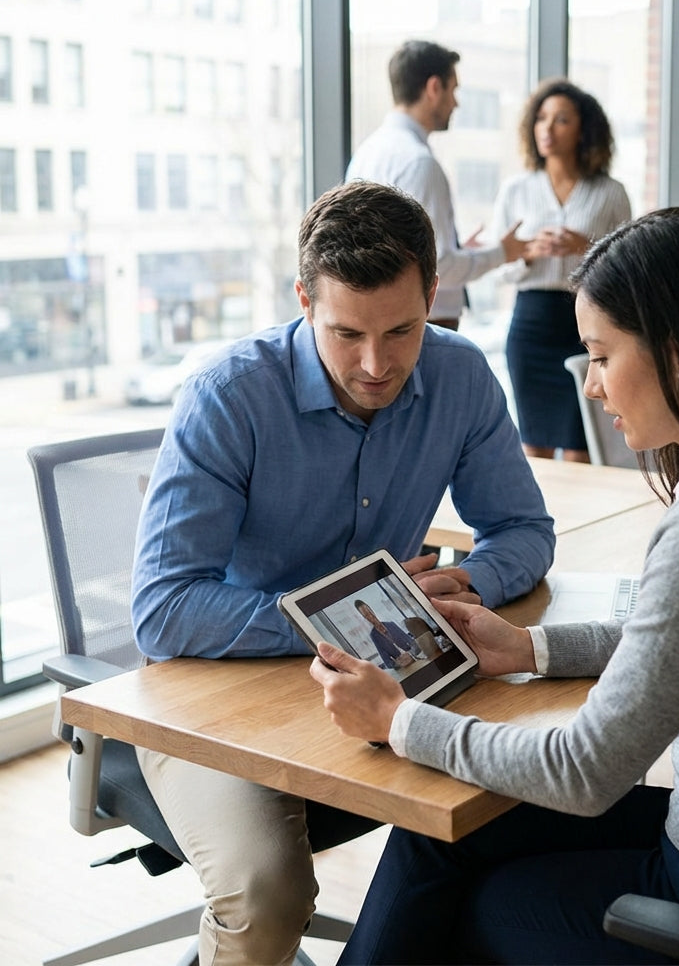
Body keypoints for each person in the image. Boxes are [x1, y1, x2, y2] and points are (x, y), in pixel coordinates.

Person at [310, 207, 679, 965]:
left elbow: (584, 770)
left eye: (599, 355)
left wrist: (398, 719)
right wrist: (528, 647)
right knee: (441, 836)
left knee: (475, 906)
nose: (591, 386)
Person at [131, 180, 555, 966]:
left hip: (381, 685)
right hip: (217, 696)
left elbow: (524, 530)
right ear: (304, 301)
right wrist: (349, 617)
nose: (375, 364)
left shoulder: (460, 376)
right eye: (346, 333)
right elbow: (163, 610)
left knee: (522, 797)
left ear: (433, 294)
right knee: (265, 893)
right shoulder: (229, 397)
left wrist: (472, 582)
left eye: (401, 330)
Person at [491, 77, 632, 461]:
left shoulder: (611, 192)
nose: (547, 128)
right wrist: (527, 254)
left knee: (579, 448)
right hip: (531, 326)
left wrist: (586, 248)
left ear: (584, 130)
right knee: (532, 448)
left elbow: (628, 265)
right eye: (541, 118)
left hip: (586, 326)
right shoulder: (516, 190)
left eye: (561, 119)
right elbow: (498, 270)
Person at [345, 39, 528, 330]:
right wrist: (503, 253)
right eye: (453, 90)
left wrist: (458, 249)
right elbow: (439, 265)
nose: (456, 103)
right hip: (425, 322)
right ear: (433, 88)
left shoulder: (368, 152)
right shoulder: (419, 162)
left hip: (390, 318)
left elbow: (399, 251)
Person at [354, 599, 420, 669]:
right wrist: (398, 663)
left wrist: (410, 654)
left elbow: (414, 644)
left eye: (370, 612)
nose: (370, 616)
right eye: (366, 615)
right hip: (404, 668)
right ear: (364, 618)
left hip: (415, 660)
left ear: (372, 611)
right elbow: (387, 662)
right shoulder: (374, 636)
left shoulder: (391, 624)